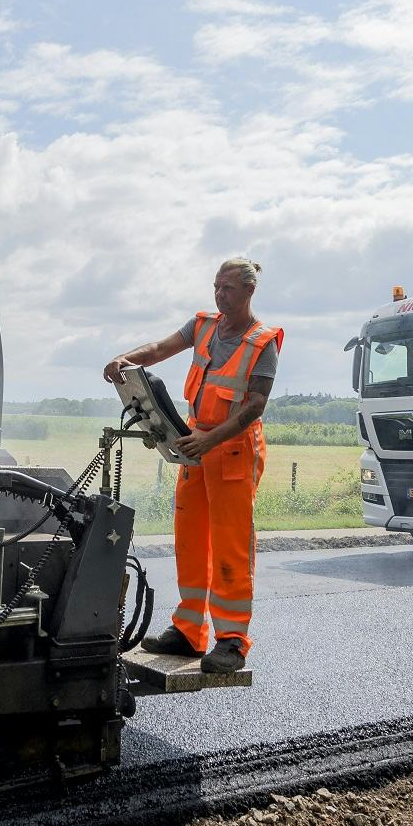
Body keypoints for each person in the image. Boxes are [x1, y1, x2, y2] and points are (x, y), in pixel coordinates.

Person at [102, 257, 282, 674]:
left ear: (249, 292)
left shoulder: (262, 342)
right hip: (195, 445)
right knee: (189, 538)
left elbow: (255, 406)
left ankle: (232, 641)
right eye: (216, 287)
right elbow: (161, 349)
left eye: (228, 289)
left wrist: (209, 440)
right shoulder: (203, 326)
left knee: (230, 545)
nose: (219, 295)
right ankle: (189, 631)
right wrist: (125, 360)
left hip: (233, 451)